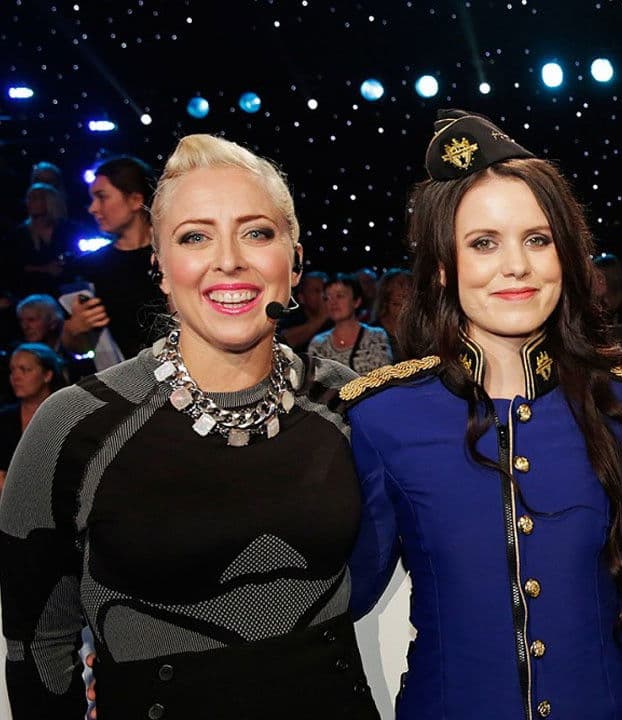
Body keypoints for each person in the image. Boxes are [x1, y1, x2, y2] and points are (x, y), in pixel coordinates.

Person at [0, 134, 380, 719]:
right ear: (159, 267)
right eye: (195, 237)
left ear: (295, 259)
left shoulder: (347, 401)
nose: (228, 260)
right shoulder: (74, 424)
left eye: (257, 233)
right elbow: (38, 647)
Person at [342, 110, 622, 719]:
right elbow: (339, 598)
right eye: (483, 243)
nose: (516, 265)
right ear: (444, 266)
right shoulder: (382, 419)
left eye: (537, 240)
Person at [63, 155, 167, 362]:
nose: (93, 208)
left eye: (102, 197)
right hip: (125, 377)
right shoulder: (89, 267)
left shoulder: (174, 254)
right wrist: (73, 330)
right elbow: (80, 347)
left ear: (135, 200)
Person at [0, 343, 63, 493]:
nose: (16, 377)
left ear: (47, 375)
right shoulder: (4, 418)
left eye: (25, 370)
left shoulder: (64, 416)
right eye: (13, 370)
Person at [308, 273, 393, 373]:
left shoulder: (376, 336)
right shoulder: (318, 344)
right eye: (327, 298)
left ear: (356, 301)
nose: (333, 302)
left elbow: (383, 375)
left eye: (339, 296)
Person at [279, 270, 332, 352]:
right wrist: (322, 317)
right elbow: (284, 341)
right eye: (317, 291)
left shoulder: (337, 318)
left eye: (325, 290)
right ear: (301, 298)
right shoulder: (291, 319)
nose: (323, 295)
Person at [372, 267, 412, 361]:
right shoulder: (372, 332)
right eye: (397, 304)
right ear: (385, 301)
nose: (403, 309)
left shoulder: (420, 331)